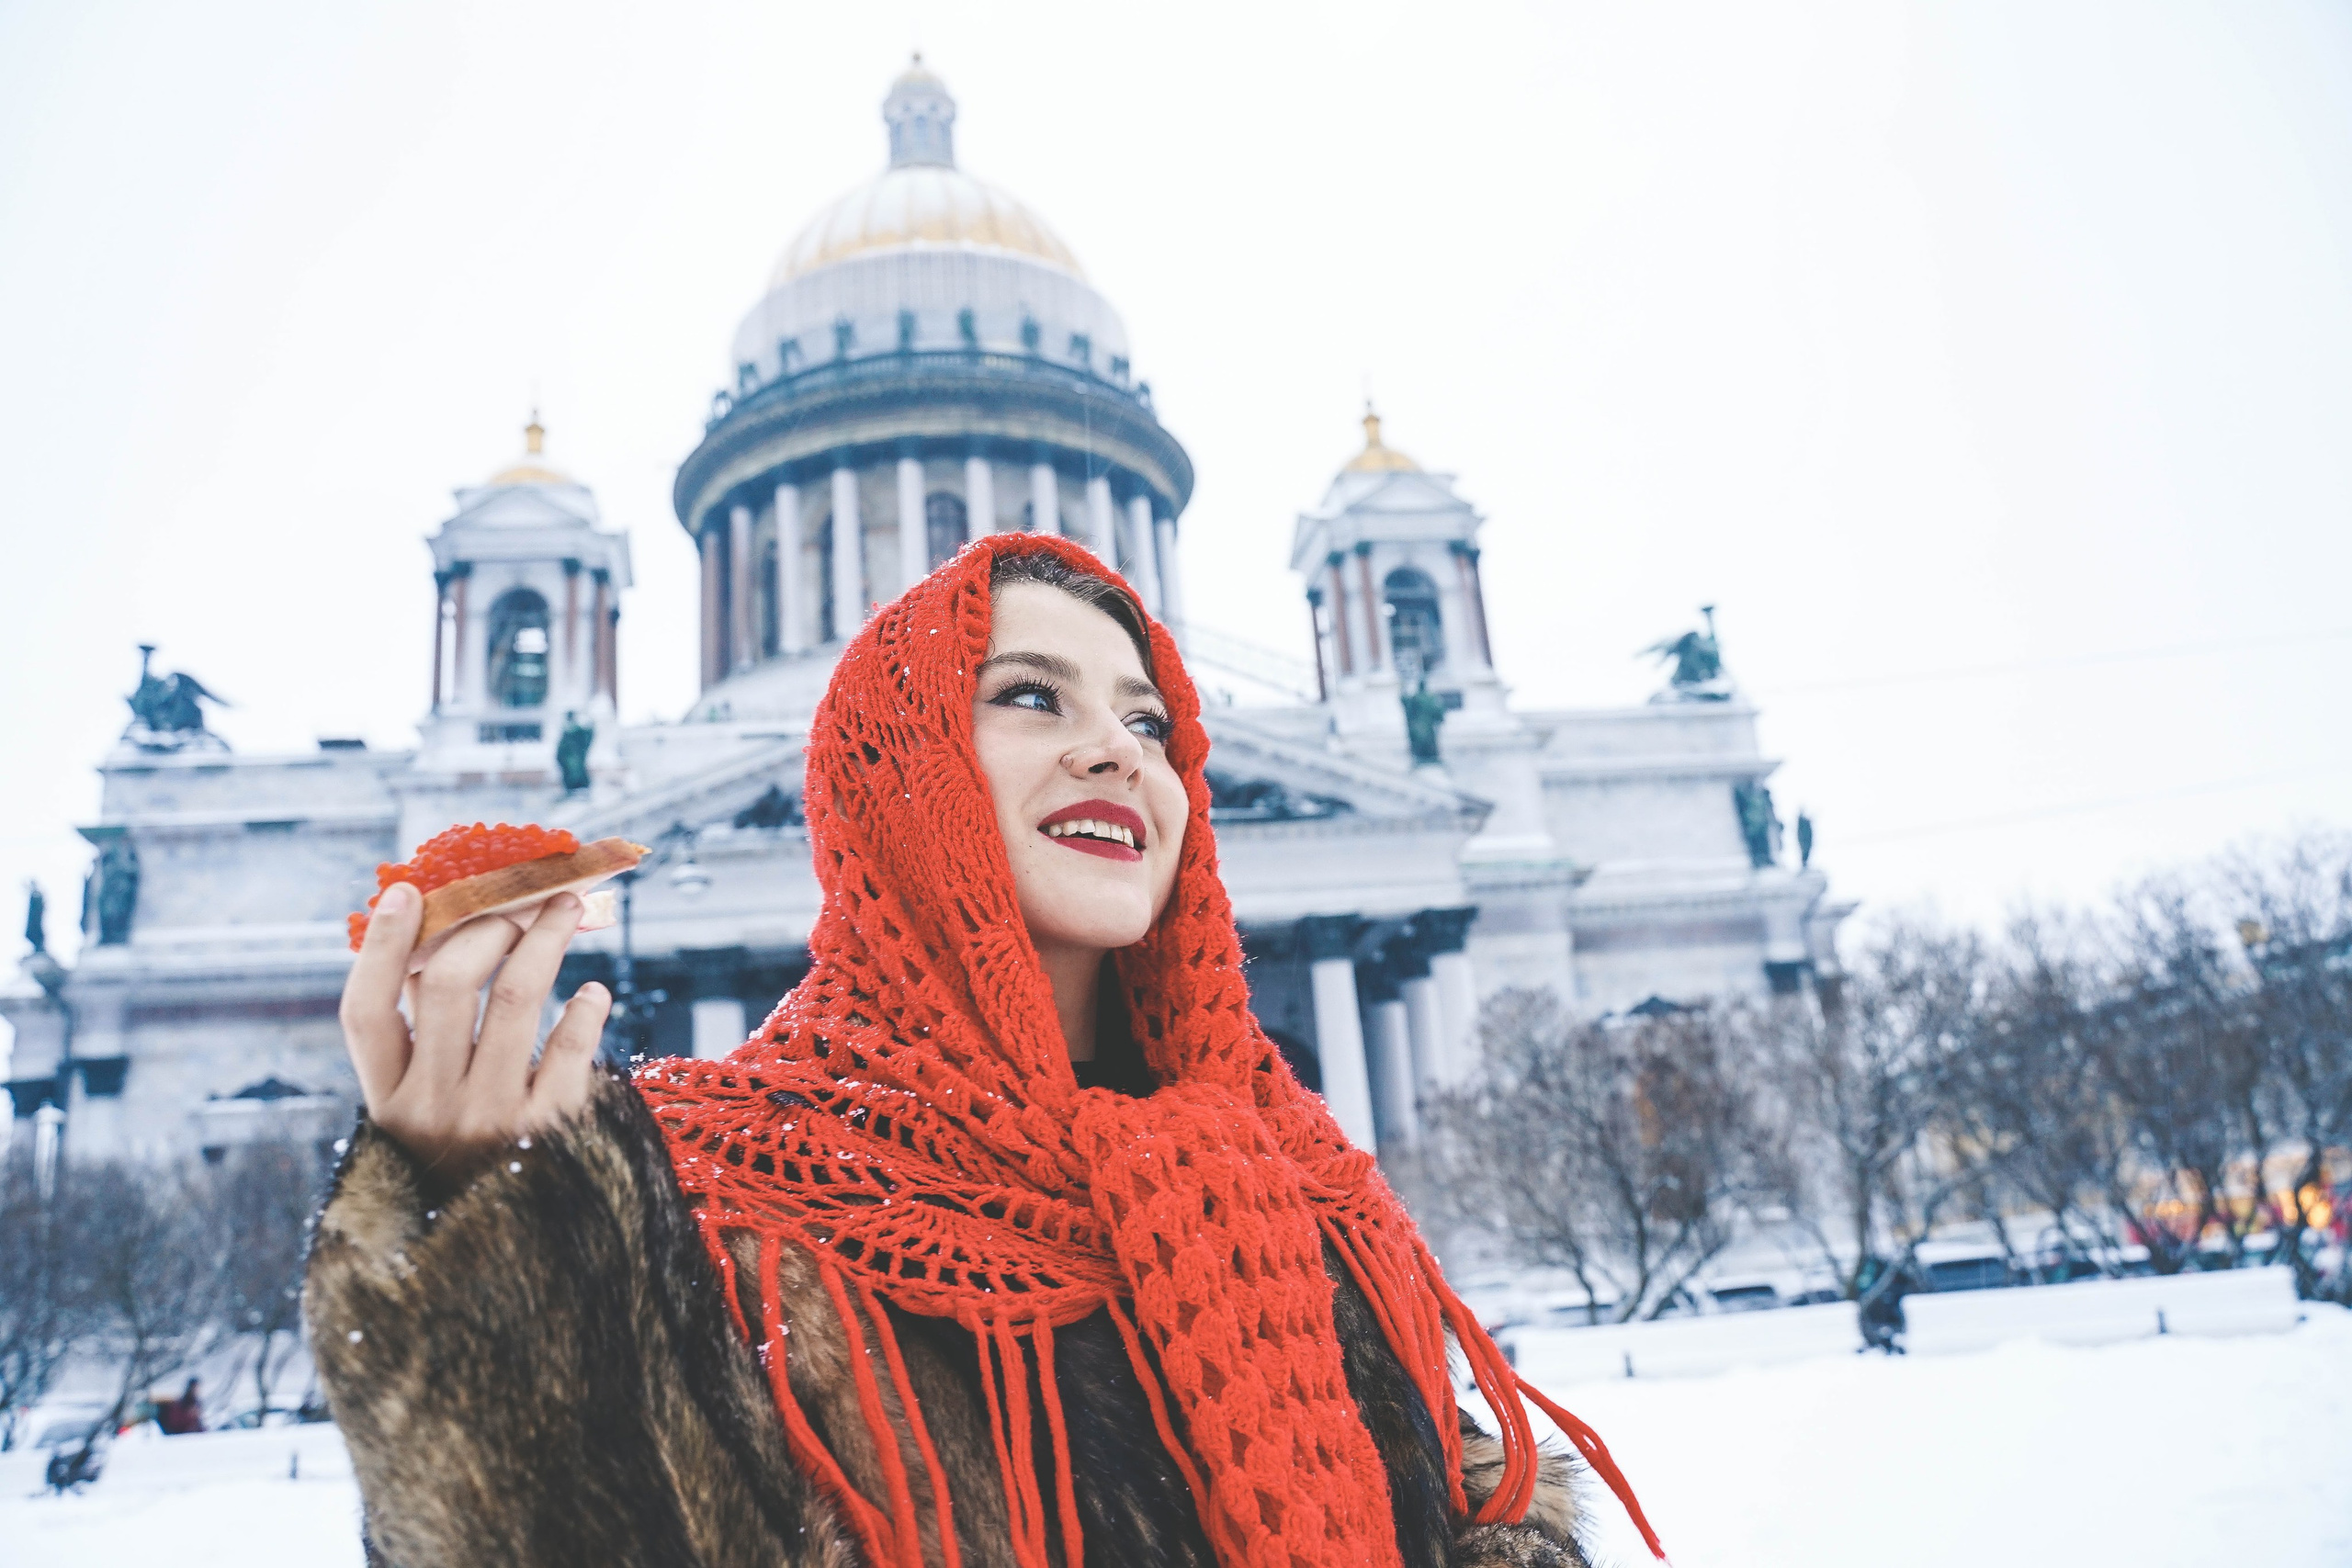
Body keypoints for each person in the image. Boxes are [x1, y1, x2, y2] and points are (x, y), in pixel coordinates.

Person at [308, 536, 1660, 1567]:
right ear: (896, 773)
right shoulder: (707, 1219)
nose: (1115, 754)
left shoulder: (1302, 1191)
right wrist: (492, 1267)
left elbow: (1478, 1513)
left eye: (1148, 721)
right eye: (1031, 695)